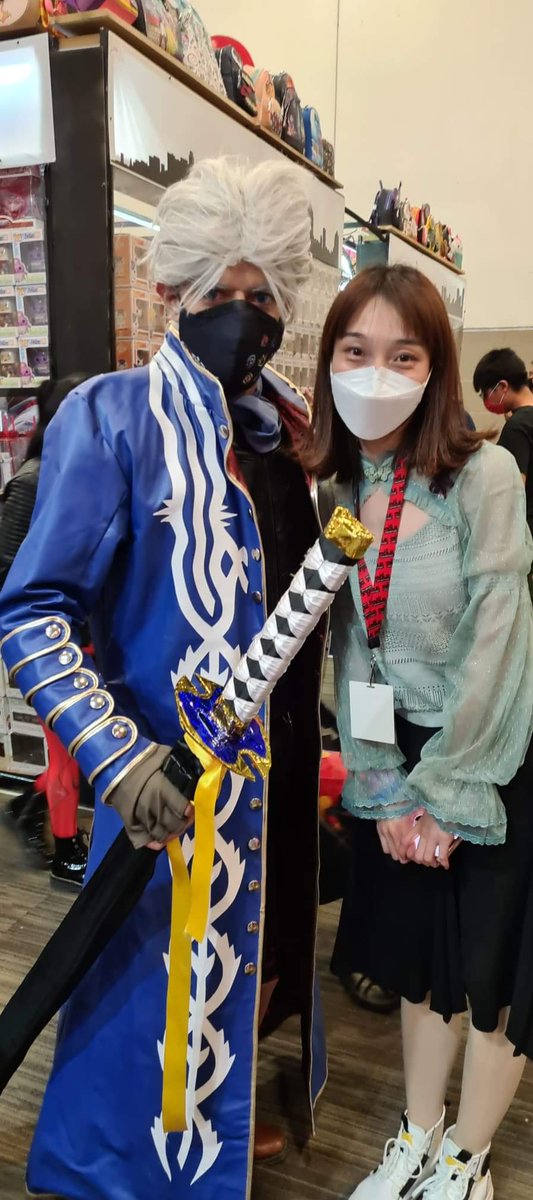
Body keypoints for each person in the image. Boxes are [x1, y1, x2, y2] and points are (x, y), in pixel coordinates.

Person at [0, 156, 326, 1200]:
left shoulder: (278, 441)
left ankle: (220, 1138)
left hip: (271, 792)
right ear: (176, 288)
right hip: (164, 794)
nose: (243, 314)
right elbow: (32, 610)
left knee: (248, 972)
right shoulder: (109, 417)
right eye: (220, 290)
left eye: (262, 295)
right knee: (136, 1010)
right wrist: (117, 756)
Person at [303, 264, 533, 1200]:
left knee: (487, 971)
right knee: (415, 965)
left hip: (488, 754)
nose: (375, 373)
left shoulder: (485, 475)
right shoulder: (340, 485)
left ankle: (464, 1161)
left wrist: (443, 793)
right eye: (354, 351)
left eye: (402, 355)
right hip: (396, 765)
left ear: (436, 365)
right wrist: (384, 787)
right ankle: (417, 1133)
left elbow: (497, 638)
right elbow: (350, 642)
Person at [0, 374, 89, 888]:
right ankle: (67, 853)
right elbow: (7, 571)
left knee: (79, 749)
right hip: (49, 643)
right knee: (67, 754)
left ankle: (29, 808)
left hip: (91, 638)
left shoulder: (89, 477)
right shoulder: (33, 482)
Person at [474, 347, 533, 538]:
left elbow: (512, 490)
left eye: (485, 393)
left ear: (502, 387)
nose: (485, 400)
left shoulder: (517, 427)